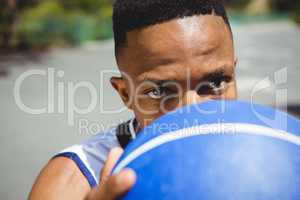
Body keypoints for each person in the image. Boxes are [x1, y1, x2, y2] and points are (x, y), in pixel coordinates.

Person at [29, 0, 237, 199]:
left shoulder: (265, 146)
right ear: (125, 94)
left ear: (234, 71)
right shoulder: (76, 180)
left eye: (217, 81)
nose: (192, 112)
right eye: (160, 91)